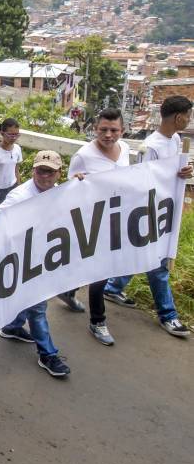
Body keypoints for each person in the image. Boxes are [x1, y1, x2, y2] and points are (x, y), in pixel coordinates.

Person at [103, 100, 192, 337]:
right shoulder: (150, 147)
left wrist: (183, 172)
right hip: (151, 212)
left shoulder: (175, 141)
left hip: (166, 209)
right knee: (158, 264)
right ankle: (168, 315)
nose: (189, 119)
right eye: (187, 115)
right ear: (178, 118)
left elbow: (170, 175)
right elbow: (143, 182)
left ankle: (112, 287)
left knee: (140, 255)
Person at [0, 151, 71, 376]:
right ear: (33, 170)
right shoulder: (19, 197)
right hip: (21, 259)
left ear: (59, 173)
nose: (44, 176)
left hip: (43, 258)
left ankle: (13, 326)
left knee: (29, 300)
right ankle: (48, 354)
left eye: (50, 171)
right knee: (38, 307)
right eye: (40, 170)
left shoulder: (60, 193)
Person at [66, 108, 131, 345]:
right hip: (91, 222)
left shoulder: (125, 149)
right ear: (95, 129)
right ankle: (98, 321)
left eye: (114, 130)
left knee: (95, 266)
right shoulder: (84, 155)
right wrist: (76, 182)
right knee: (100, 271)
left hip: (118, 218)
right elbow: (69, 188)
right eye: (103, 129)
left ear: (122, 131)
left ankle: (68, 290)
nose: (108, 135)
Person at [0, 118, 22, 207]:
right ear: (2, 133)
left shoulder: (17, 149)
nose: (14, 138)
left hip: (13, 186)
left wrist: (18, 187)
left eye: (16, 135)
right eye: (11, 135)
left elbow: (16, 170)